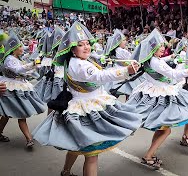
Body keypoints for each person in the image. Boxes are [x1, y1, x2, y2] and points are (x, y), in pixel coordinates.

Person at [32, 21, 142, 176]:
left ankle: (65, 171)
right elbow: (100, 75)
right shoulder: (79, 65)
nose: (86, 47)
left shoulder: (77, 61)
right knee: (92, 154)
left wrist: (108, 60)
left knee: (78, 145)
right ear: (72, 49)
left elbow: (97, 60)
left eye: (87, 44)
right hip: (85, 109)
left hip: (87, 104)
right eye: (81, 45)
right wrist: (126, 70)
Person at [126, 29, 188, 169]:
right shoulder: (156, 62)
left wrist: (172, 57)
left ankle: (151, 153)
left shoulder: (150, 59)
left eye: (162, 46)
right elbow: (173, 74)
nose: (162, 48)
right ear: (152, 49)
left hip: (153, 92)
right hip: (160, 96)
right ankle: (148, 156)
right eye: (159, 47)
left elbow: (162, 62)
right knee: (165, 129)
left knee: (162, 128)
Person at [0, 31, 45, 147]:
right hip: (11, 88)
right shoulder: (9, 59)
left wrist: (35, 66)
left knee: (7, 115)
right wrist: (32, 64)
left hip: (19, 87)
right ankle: (29, 138)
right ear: (13, 48)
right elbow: (19, 70)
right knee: (20, 115)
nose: (22, 48)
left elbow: (25, 72)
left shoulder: (17, 58)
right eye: (20, 46)